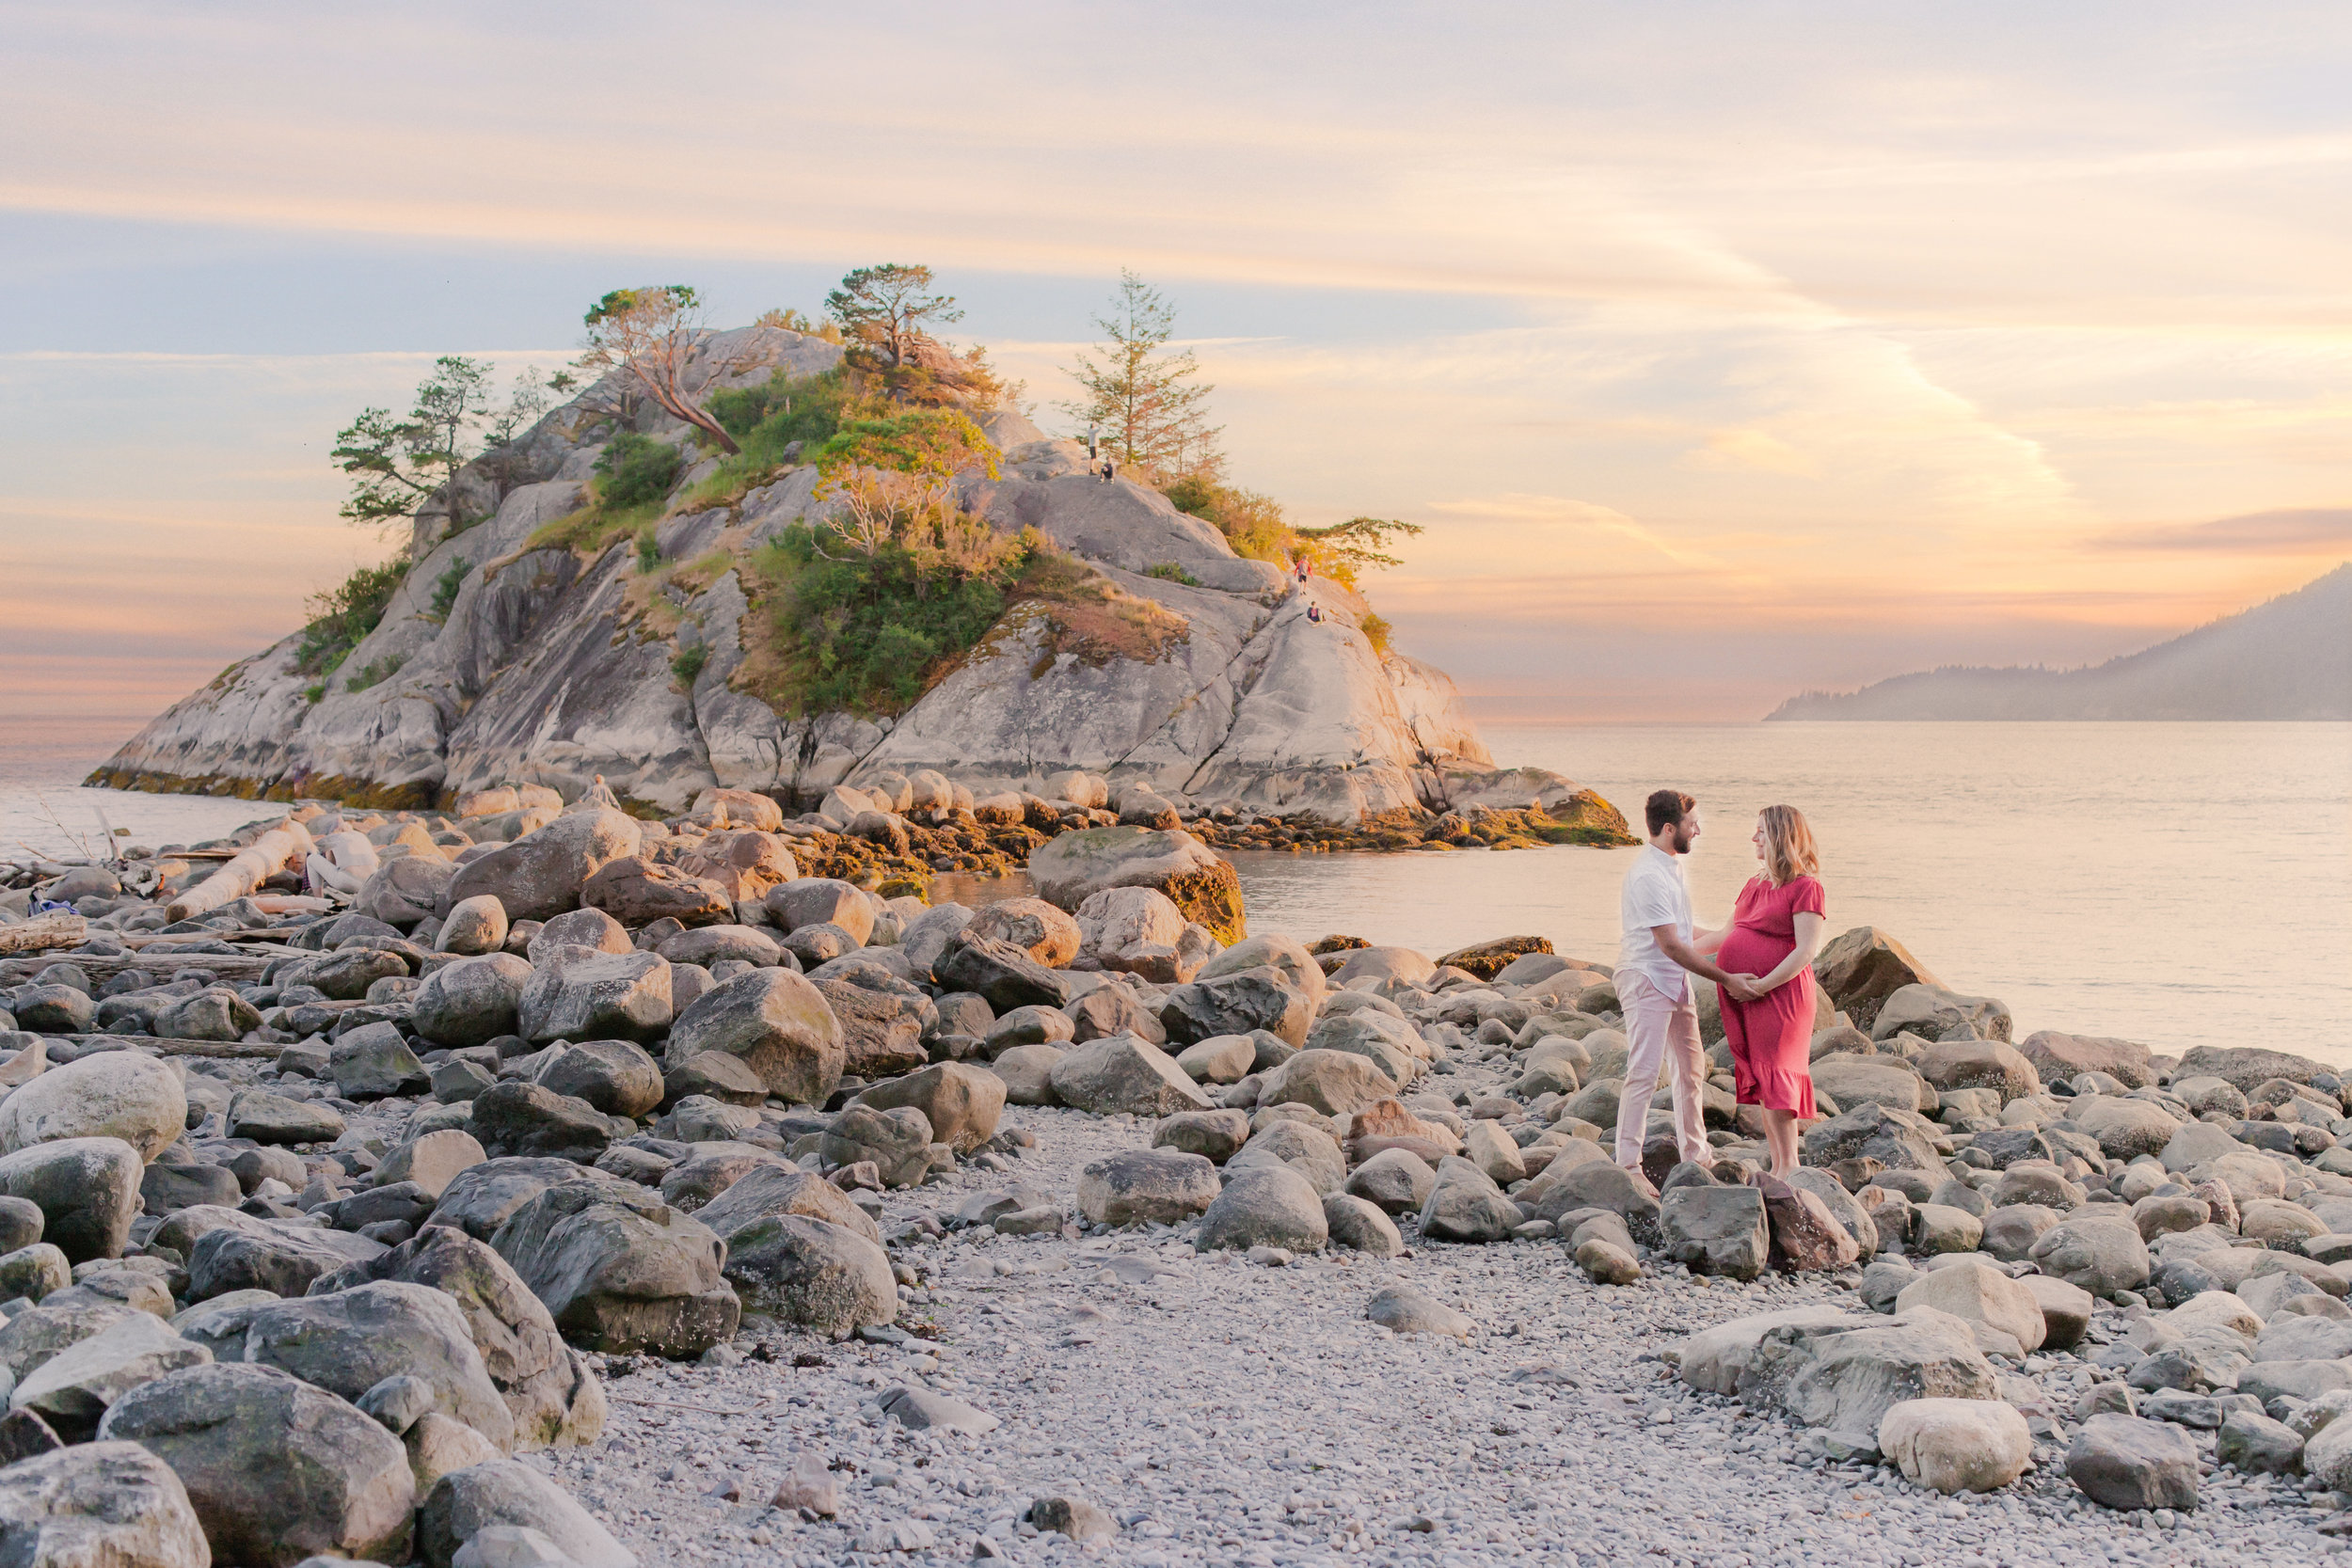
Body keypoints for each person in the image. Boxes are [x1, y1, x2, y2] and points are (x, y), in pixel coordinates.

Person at [1614, 789, 1750, 1195]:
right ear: (1670, 828)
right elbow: (1670, 945)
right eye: (1692, 825)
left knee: (1691, 1070)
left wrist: (1729, 936)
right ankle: (1628, 1165)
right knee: (1642, 1072)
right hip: (1646, 979)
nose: (1698, 830)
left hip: (1674, 980)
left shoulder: (1672, 868)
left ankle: (1697, 1153)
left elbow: (1686, 934)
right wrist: (1725, 978)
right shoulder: (1648, 876)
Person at [1716, 805, 1827, 1177]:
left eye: (1761, 831)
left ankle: (1790, 1167)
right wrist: (1668, 941)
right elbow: (1723, 936)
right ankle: (1779, 1164)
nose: (1754, 838)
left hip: (1780, 997)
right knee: (1764, 1078)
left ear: (1780, 836)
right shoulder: (1753, 884)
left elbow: (1805, 950)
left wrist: (1761, 986)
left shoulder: (1806, 888)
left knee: (1778, 1074)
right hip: (1747, 997)